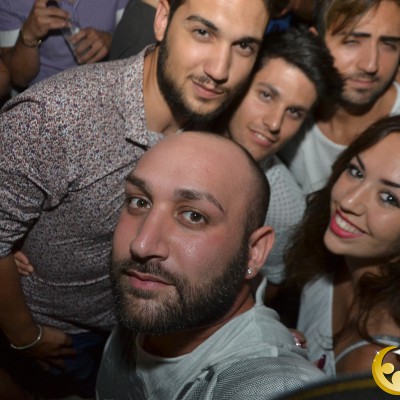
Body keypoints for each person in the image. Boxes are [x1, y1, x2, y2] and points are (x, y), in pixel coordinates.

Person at [0, 0, 271, 397]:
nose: (219, 69)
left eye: (243, 46)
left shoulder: (216, 127)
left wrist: (261, 332)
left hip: (134, 330)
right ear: (162, 19)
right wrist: (24, 335)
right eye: (203, 32)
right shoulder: (56, 116)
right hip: (57, 333)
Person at [96, 131, 324, 400]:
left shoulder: (270, 384)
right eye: (139, 202)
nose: (142, 245)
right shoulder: (159, 299)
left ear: (253, 253)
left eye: (194, 216)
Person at [222, 26, 341, 297]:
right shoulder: (179, 131)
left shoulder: (285, 207)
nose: (275, 123)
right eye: (266, 95)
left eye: (294, 112)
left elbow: (271, 286)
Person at [285, 114, 400, 377]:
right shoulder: (338, 253)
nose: (348, 202)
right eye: (356, 172)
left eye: (389, 198)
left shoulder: (379, 364)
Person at [280, 0, 400, 195]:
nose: (371, 65)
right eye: (352, 42)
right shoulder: (284, 115)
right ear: (316, 43)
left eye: (388, 45)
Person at [0, 0, 128, 89]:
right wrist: (29, 35)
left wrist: (111, 40)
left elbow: (135, 46)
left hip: (109, 87)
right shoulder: (10, 3)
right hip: (48, 98)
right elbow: (18, 78)